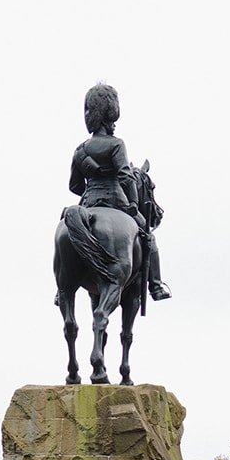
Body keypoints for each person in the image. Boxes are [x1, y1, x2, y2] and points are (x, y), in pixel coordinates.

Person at [69, 83, 170, 300]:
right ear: (109, 116)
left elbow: (74, 186)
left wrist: (91, 190)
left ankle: (63, 289)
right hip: (116, 201)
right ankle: (156, 285)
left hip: (87, 204)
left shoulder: (80, 150)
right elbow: (125, 175)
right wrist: (133, 205)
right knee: (147, 236)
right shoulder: (116, 145)